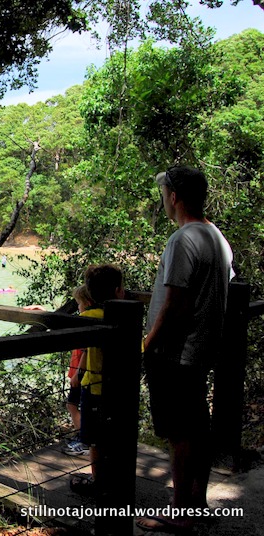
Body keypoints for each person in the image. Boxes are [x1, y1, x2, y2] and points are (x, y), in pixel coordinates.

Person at [136, 167, 233, 532]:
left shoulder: (182, 240)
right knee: (196, 429)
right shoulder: (217, 237)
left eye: (164, 193)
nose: (163, 200)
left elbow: (175, 304)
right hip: (201, 351)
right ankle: (196, 503)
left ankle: (179, 513)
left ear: (173, 196)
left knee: (179, 435)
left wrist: (147, 345)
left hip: (175, 354)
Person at [69, 264, 125, 496]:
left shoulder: (87, 318)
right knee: (114, 435)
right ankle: (116, 479)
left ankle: (98, 481)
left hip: (92, 388)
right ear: (118, 290)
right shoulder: (120, 314)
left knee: (94, 441)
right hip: (119, 388)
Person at [62, 284, 94, 456]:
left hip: (81, 374)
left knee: (72, 405)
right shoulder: (88, 321)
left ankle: (83, 440)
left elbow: (85, 352)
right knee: (77, 405)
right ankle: (83, 438)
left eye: (79, 304)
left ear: (87, 303)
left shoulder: (87, 323)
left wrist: (77, 375)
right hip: (82, 374)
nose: (78, 308)